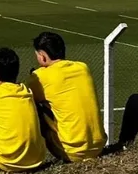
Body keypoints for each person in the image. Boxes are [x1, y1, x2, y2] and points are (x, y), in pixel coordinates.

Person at [27, 32, 105, 162]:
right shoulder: (82, 67)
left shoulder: (40, 76)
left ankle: (28, 157)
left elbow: (24, 98)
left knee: (31, 106)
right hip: (98, 147)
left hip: (71, 152)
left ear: (43, 57)